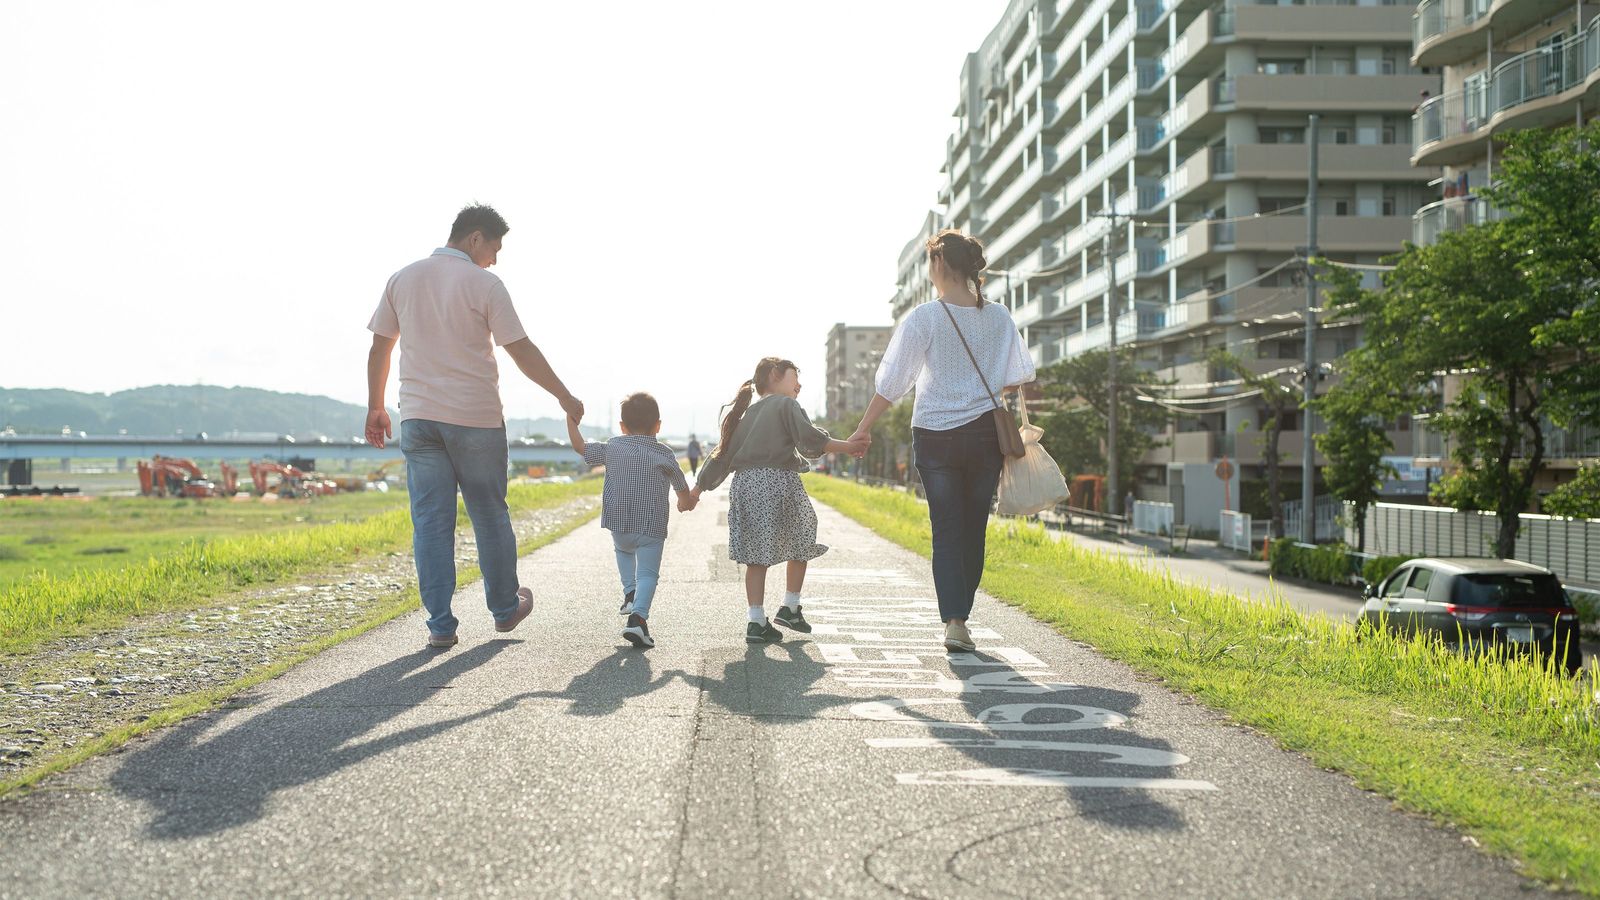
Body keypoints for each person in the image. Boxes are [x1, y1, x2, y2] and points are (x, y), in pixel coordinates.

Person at [365, 204, 584, 649]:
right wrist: (563, 396)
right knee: (488, 512)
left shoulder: (402, 278)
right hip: (476, 419)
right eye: (495, 248)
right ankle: (505, 609)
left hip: (420, 418)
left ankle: (441, 626)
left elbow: (380, 348)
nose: (496, 259)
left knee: (430, 521)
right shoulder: (485, 284)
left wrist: (376, 406)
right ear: (475, 238)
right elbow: (520, 350)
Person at [849, 229, 1034, 652]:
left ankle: (954, 621)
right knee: (973, 528)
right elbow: (1016, 374)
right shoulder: (1001, 317)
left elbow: (894, 382)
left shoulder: (924, 317)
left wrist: (864, 427)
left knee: (946, 528)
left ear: (938, 265)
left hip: (935, 435)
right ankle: (960, 617)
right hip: (986, 433)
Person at [690, 357, 866, 643]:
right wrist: (848, 446)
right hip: (776, 481)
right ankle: (791, 606)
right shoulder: (786, 405)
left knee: (755, 555)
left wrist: (696, 491)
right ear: (775, 375)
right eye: (794, 377)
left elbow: (720, 457)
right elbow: (808, 439)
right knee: (802, 535)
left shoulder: (745, 415)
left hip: (745, 485)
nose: (799, 385)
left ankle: (756, 621)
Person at [565, 393, 695, 649]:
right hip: (651, 526)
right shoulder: (664, 453)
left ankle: (630, 593)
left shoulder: (612, 447)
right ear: (658, 425)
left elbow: (580, 446)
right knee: (648, 573)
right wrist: (685, 502)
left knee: (623, 551)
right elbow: (681, 486)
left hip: (619, 522)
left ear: (622, 427)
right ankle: (638, 619)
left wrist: (570, 418)